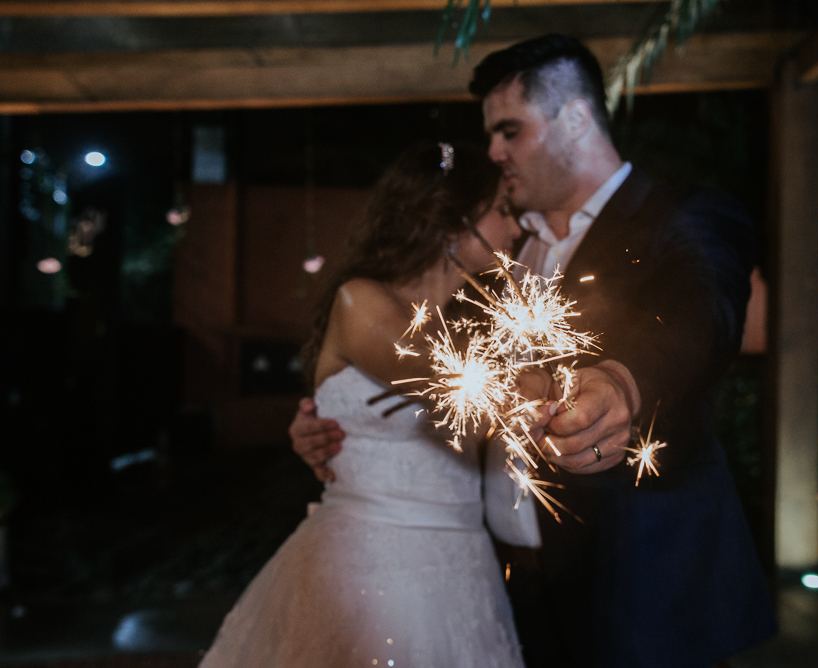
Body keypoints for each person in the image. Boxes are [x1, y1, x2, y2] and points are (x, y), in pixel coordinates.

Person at [292, 34, 778, 668]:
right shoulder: (487, 258)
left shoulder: (680, 217)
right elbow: (422, 373)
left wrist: (623, 380)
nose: (493, 153)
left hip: (640, 591)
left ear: (574, 119)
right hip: (500, 587)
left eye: (509, 132)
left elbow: (699, 312)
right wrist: (330, 422)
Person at [201, 141, 526, 668]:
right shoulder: (362, 302)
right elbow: (449, 385)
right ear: (450, 221)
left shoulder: (476, 324)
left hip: (465, 565)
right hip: (372, 568)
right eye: (501, 211)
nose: (514, 229)